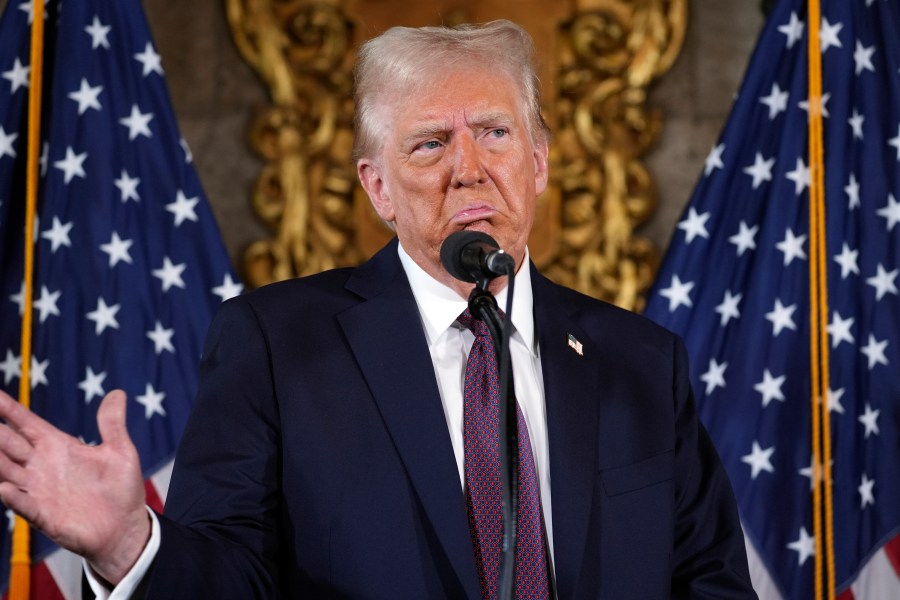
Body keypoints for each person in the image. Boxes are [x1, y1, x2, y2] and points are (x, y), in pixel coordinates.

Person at [0, 20, 757, 599]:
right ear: (377, 188)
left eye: (495, 133)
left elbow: (710, 581)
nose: (469, 169)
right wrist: (130, 545)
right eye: (429, 145)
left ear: (538, 162)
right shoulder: (275, 344)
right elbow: (232, 576)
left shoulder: (642, 361)